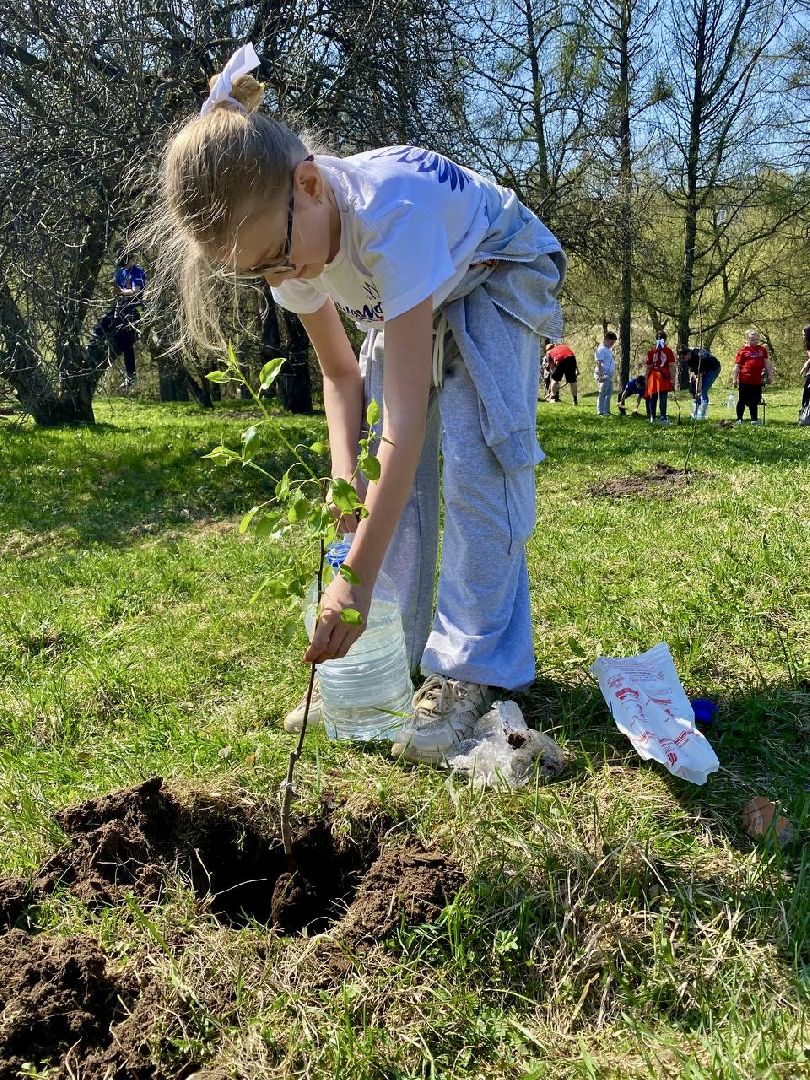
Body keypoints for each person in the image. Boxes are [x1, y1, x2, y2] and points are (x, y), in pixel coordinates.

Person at [146, 43, 566, 765]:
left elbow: (404, 424)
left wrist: (352, 579)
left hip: (496, 272)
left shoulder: (390, 219)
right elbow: (342, 378)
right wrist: (347, 485)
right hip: (412, 299)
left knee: (473, 459)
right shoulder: (285, 241)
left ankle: (466, 672)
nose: (282, 277)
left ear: (308, 183)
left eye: (279, 260)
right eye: (260, 274)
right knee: (376, 485)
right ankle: (386, 656)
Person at [112, 253, 147, 386]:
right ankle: (128, 375)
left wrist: (120, 292)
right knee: (117, 338)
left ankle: (131, 376)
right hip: (120, 308)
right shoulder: (120, 271)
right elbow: (116, 288)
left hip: (133, 308)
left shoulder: (137, 271)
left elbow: (136, 291)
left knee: (127, 343)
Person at [733, 329, 773, 425]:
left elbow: (766, 363)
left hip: (756, 380)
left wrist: (770, 375)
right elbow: (736, 367)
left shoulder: (762, 350)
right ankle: (739, 419)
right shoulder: (743, 351)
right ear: (747, 340)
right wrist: (734, 379)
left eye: (756, 339)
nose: (754, 342)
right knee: (742, 400)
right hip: (745, 379)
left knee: (754, 401)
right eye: (752, 340)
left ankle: (754, 419)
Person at [678, 343, 722, 419]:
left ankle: (701, 415)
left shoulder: (697, 357)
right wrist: (695, 389)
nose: (682, 360)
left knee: (703, 390)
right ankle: (694, 412)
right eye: (681, 358)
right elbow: (695, 374)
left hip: (713, 368)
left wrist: (698, 391)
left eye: (683, 357)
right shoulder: (689, 360)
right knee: (694, 388)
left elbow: (699, 376)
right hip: (704, 369)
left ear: (688, 354)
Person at [645, 333, 676, 423]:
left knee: (653, 397)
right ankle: (663, 417)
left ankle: (653, 417)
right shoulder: (668, 350)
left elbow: (648, 367)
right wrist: (673, 379)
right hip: (663, 376)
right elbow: (671, 365)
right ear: (665, 339)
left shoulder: (651, 350)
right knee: (663, 396)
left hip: (653, 376)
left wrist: (646, 378)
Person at [594, 331, 617, 416]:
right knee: (603, 393)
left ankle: (607, 411)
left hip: (608, 375)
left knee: (609, 393)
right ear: (607, 339)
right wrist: (601, 376)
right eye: (612, 342)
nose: (613, 344)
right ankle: (601, 412)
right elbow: (600, 363)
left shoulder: (608, 349)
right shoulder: (601, 349)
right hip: (603, 375)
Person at [799, 324, 810, 426]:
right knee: (806, 393)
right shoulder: (808, 344)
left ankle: (806, 417)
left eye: (803, 334)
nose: (802, 336)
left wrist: (805, 366)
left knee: (807, 393)